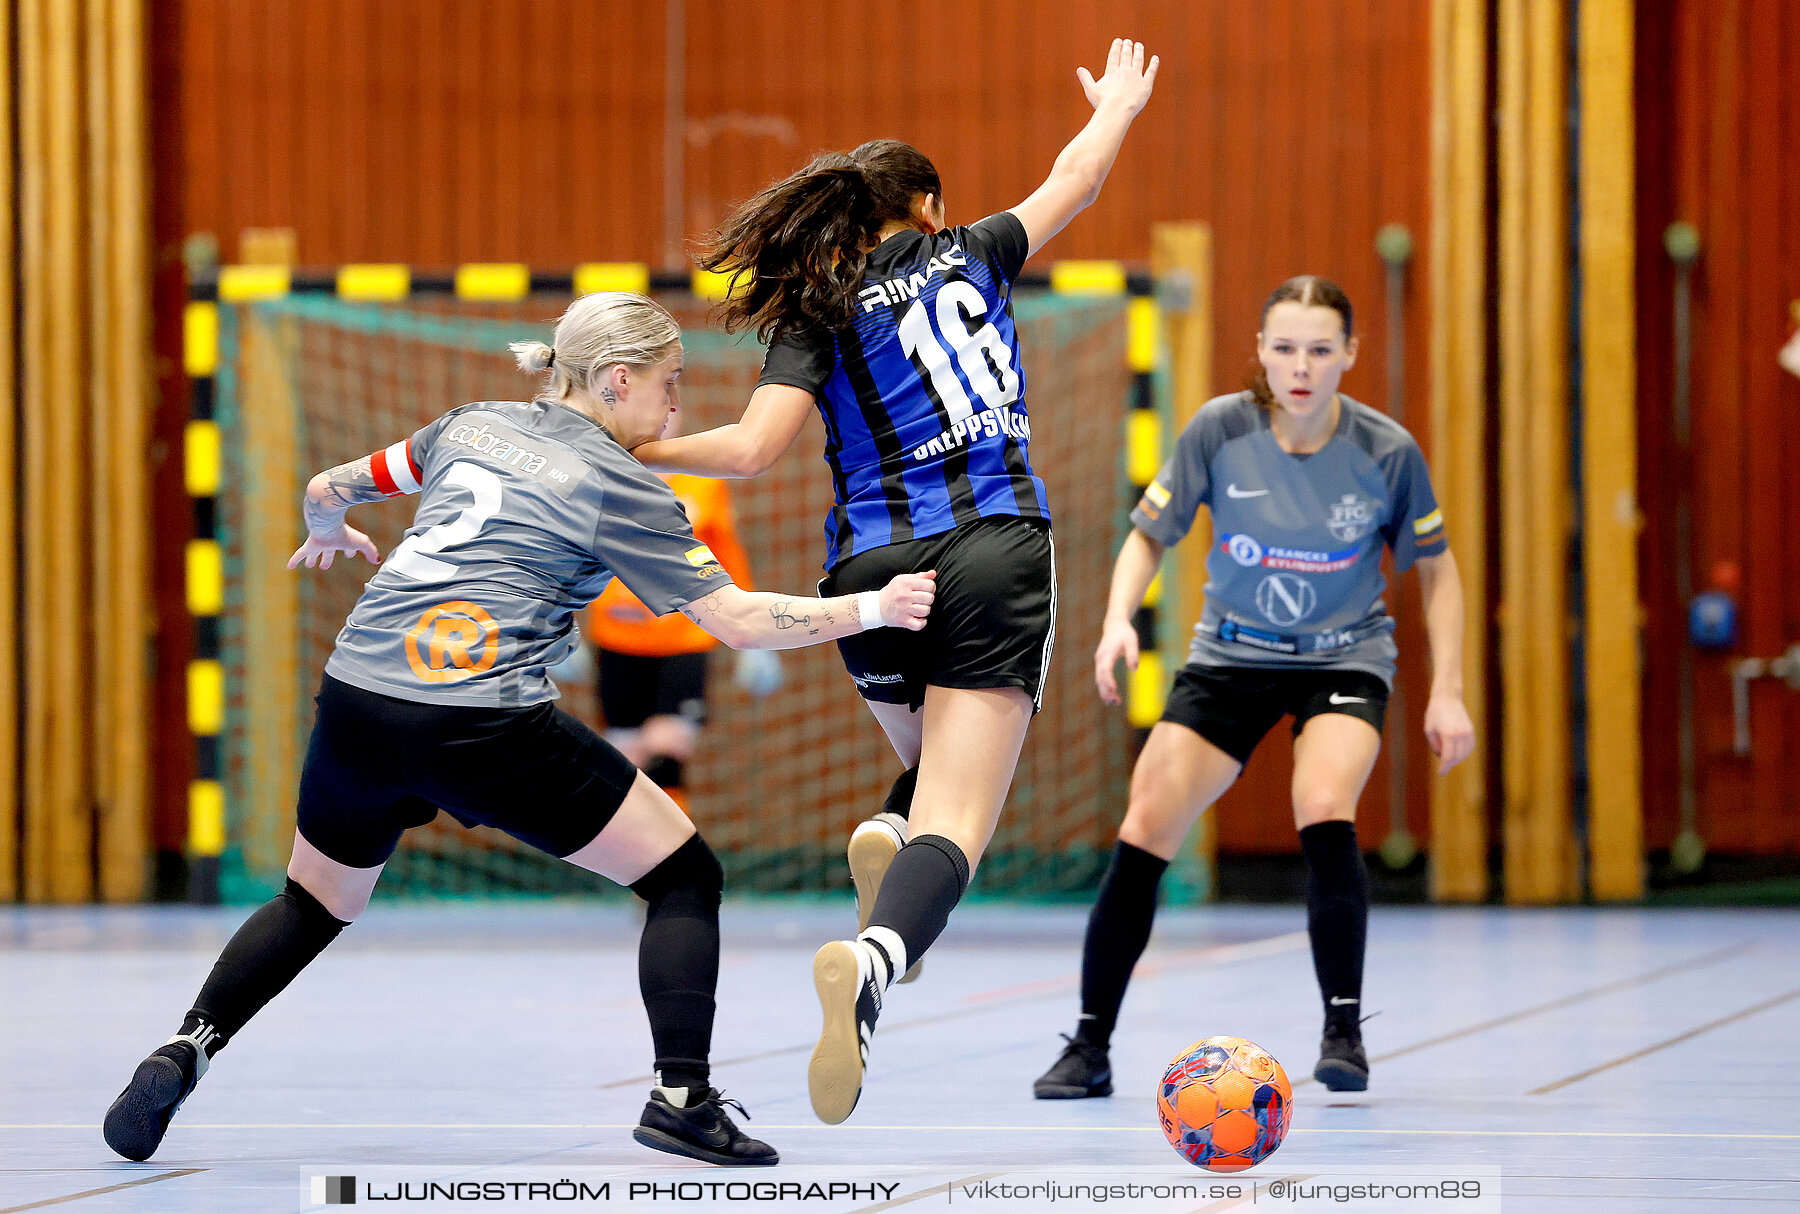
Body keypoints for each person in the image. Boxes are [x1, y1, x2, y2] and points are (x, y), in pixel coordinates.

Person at [102, 292, 934, 1166]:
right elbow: (736, 622)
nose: (676, 407)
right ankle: (682, 1099)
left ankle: (187, 1045)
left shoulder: (471, 422)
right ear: (619, 380)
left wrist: (329, 531)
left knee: (312, 902)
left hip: (357, 694)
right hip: (476, 715)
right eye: (670, 383)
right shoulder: (624, 484)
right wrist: (871, 605)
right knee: (684, 874)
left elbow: (329, 486)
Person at [631, 39, 1159, 1124]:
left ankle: (889, 851)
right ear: (925, 204)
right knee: (958, 823)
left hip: (869, 575)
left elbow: (749, 450)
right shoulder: (970, 250)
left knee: (927, 786)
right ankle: (875, 960)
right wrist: (1114, 108)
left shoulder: (813, 309)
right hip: (996, 549)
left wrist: (630, 450)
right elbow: (1077, 179)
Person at [1032, 276, 1475, 1099]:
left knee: (1323, 801)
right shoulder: (1219, 430)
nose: (1299, 367)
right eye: (1282, 348)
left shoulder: (1386, 451)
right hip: (1231, 656)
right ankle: (1088, 1047)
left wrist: (1448, 690)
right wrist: (1116, 620)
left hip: (1343, 658)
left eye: (1317, 350)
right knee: (1145, 821)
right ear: (1261, 351)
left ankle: (1343, 1028)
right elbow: (1146, 537)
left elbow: (1440, 575)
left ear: (1348, 355)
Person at [580, 424, 781, 808]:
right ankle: (629, 861)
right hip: (617, 640)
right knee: (626, 764)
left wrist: (755, 640)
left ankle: (670, 860)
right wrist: (562, 629)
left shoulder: (703, 482)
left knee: (665, 757)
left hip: (685, 641)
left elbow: (727, 554)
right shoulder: (599, 475)